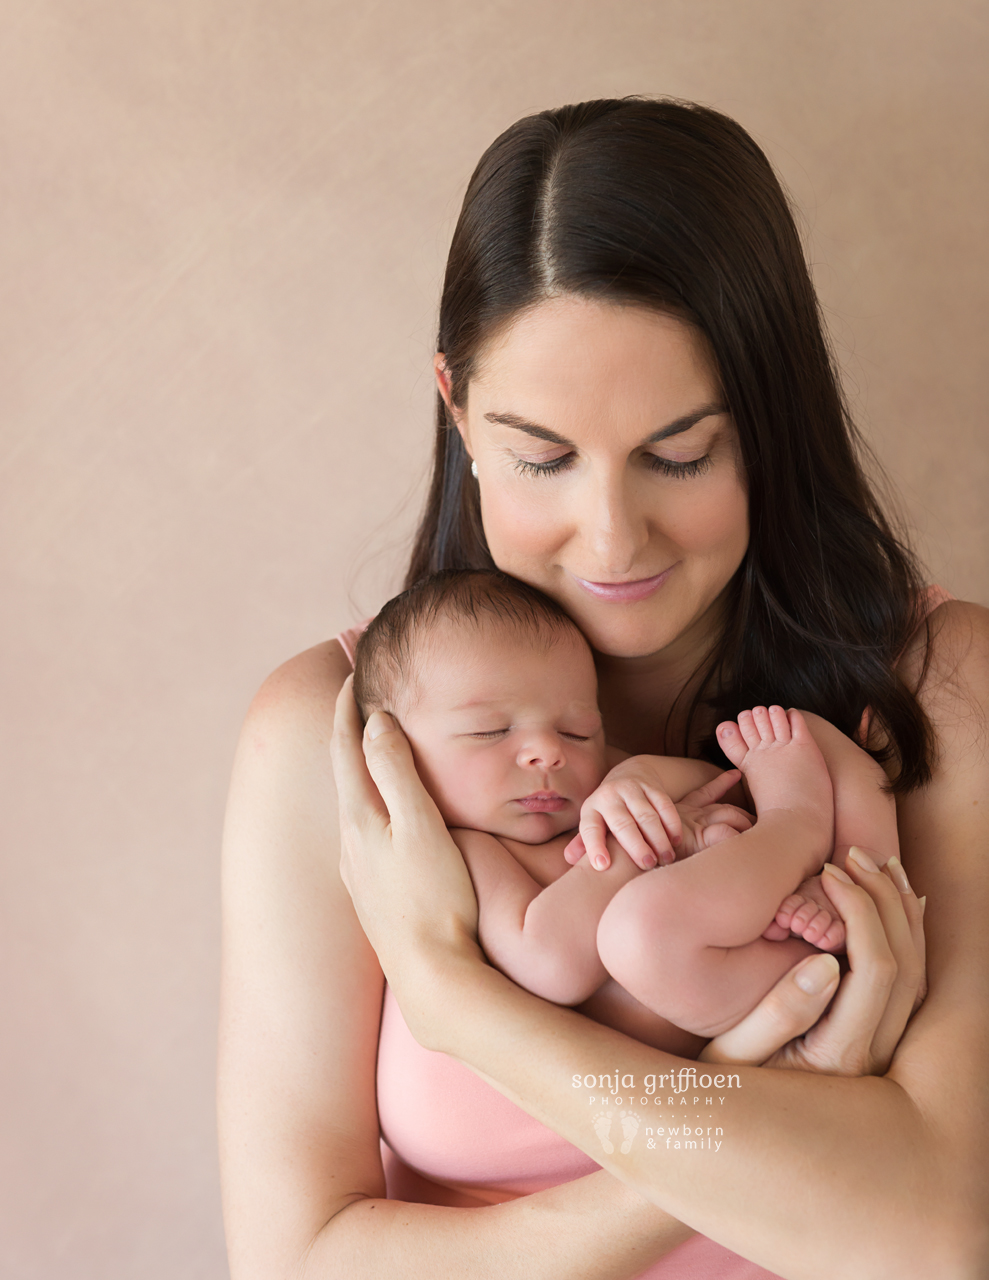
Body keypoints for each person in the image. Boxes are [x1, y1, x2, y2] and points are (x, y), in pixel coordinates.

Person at [218, 97, 989, 1278]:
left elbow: (935, 1233)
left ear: (769, 425)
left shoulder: (943, 691)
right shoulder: (340, 738)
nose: (611, 537)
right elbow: (300, 1258)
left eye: (678, 454)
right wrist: (740, 1103)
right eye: (539, 456)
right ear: (457, 410)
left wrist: (457, 999)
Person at [351, 567, 902, 1043]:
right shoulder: (467, 850)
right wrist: (650, 842)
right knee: (640, 933)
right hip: (733, 986)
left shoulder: (594, 785)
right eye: (489, 731)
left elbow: (721, 785)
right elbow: (551, 963)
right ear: (396, 754)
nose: (548, 752)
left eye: (577, 729)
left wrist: (639, 776)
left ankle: (844, 886)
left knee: (803, 735)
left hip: (773, 915)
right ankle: (797, 829)